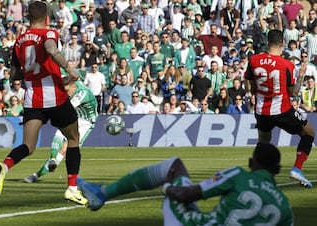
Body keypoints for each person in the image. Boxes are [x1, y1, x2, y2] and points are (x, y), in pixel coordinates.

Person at [0, 1, 88, 205]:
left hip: (32, 97)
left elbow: (14, 74)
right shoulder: (48, 33)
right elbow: (51, 49)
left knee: (28, 145)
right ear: (47, 19)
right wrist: (69, 69)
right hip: (54, 96)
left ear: (27, 18)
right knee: (73, 139)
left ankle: (5, 165)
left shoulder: (19, 41)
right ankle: (72, 188)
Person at [77, 143, 293, 226]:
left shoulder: (239, 175)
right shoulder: (284, 206)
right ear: (277, 170)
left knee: (174, 166)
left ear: (250, 163)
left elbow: (187, 196)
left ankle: (103, 193)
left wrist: (167, 188)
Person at [245, 29, 315, 188]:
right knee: (309, 133)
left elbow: (249, 84)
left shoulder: (254, 60)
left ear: (267, 42)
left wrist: (255, 93)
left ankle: (255, 175)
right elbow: (293, 93)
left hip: (261, 111)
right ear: (283, 43)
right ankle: (297, 168)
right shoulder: (287, 65)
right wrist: (302, 74)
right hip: (282, 109)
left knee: (263, 141)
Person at [25, 76, 98, 183]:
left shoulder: (83, 94)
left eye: (67, 91)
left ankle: (37, 174)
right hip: (77, 116)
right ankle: (53, 160)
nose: (66, 93)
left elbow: (67, 107)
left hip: (86, 122)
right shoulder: (73, 85)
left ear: (73, 87)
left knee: (65, 148)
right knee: (59, 133)